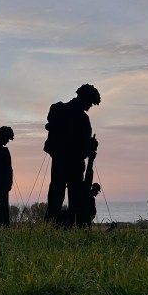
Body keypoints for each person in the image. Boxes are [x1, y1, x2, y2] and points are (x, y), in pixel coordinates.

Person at [43, 85, 100, 227]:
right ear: (83, 98)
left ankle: (58, 224)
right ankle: (58, 224)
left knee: (65, 194)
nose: (89, 106)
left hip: (65, 161)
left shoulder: (59, 110)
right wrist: (90, 146)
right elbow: (80, 145)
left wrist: (90, 146)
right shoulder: (67, 113)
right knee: (64, 194)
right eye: (90, 102)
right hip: (68, 162)